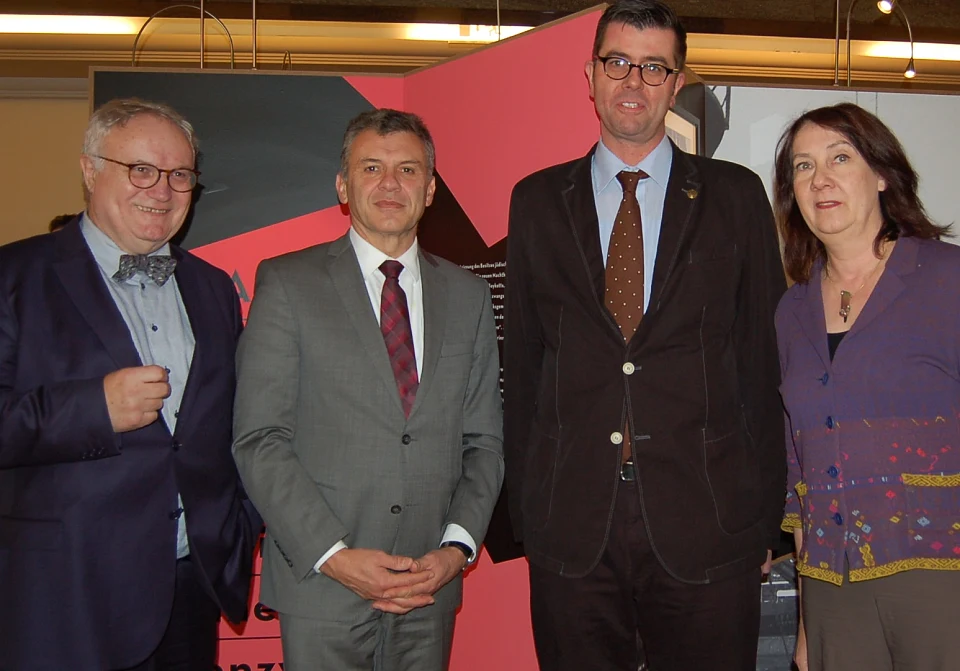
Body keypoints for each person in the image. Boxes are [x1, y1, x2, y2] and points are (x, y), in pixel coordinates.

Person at [502, 1, 786, 669]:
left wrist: (769, 519)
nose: (634, 81)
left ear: (678, 80)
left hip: (709, 518)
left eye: (654, 66)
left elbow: (762, 361)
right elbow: (523, 365)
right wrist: (527, 511)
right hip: (573, 524)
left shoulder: (736, 196)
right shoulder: (537, 200)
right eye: (618, 62)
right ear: (590, 75)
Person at [232, 108, 504, 671]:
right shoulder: (286, 283)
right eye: (372, 167)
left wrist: (455, 549)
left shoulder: (470, 296)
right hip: (323, 587)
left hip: (428, 590)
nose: (389, 184)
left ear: (430, 190)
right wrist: (333, 555)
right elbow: (260, 438)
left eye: (408, 170)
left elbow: (484, 443)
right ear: (342, 184)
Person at [0, 98, 261, 671]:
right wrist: (92, 408)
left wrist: (238, 523)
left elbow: (234, 423)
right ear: (90, 169)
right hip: (65, 597)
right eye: (140, 170)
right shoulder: (13, 277)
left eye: (180, 175)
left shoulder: (213, 287)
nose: (161, 191)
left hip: (189, 593)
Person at [774, 102, 960, 671]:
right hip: (834, 590)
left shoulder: (947, 279)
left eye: (839, 158)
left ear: (881, 174)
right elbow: (798, 472)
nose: (820, 179)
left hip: (941, 576)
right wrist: (808, 623)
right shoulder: (791, 310)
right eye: (803, 167)